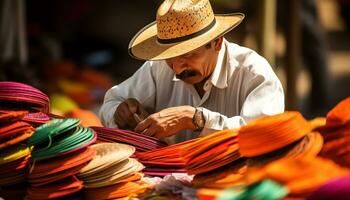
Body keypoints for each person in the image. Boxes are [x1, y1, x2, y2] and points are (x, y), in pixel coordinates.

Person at [99, 0, 285, 144]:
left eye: (188, 55)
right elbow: (111, 102)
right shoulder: (158, 68)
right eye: (170, 57)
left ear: (217, 42)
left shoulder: (255, 74)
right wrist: (120, 112)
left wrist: (196, 118)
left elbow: (263, 136)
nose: (178, 68)